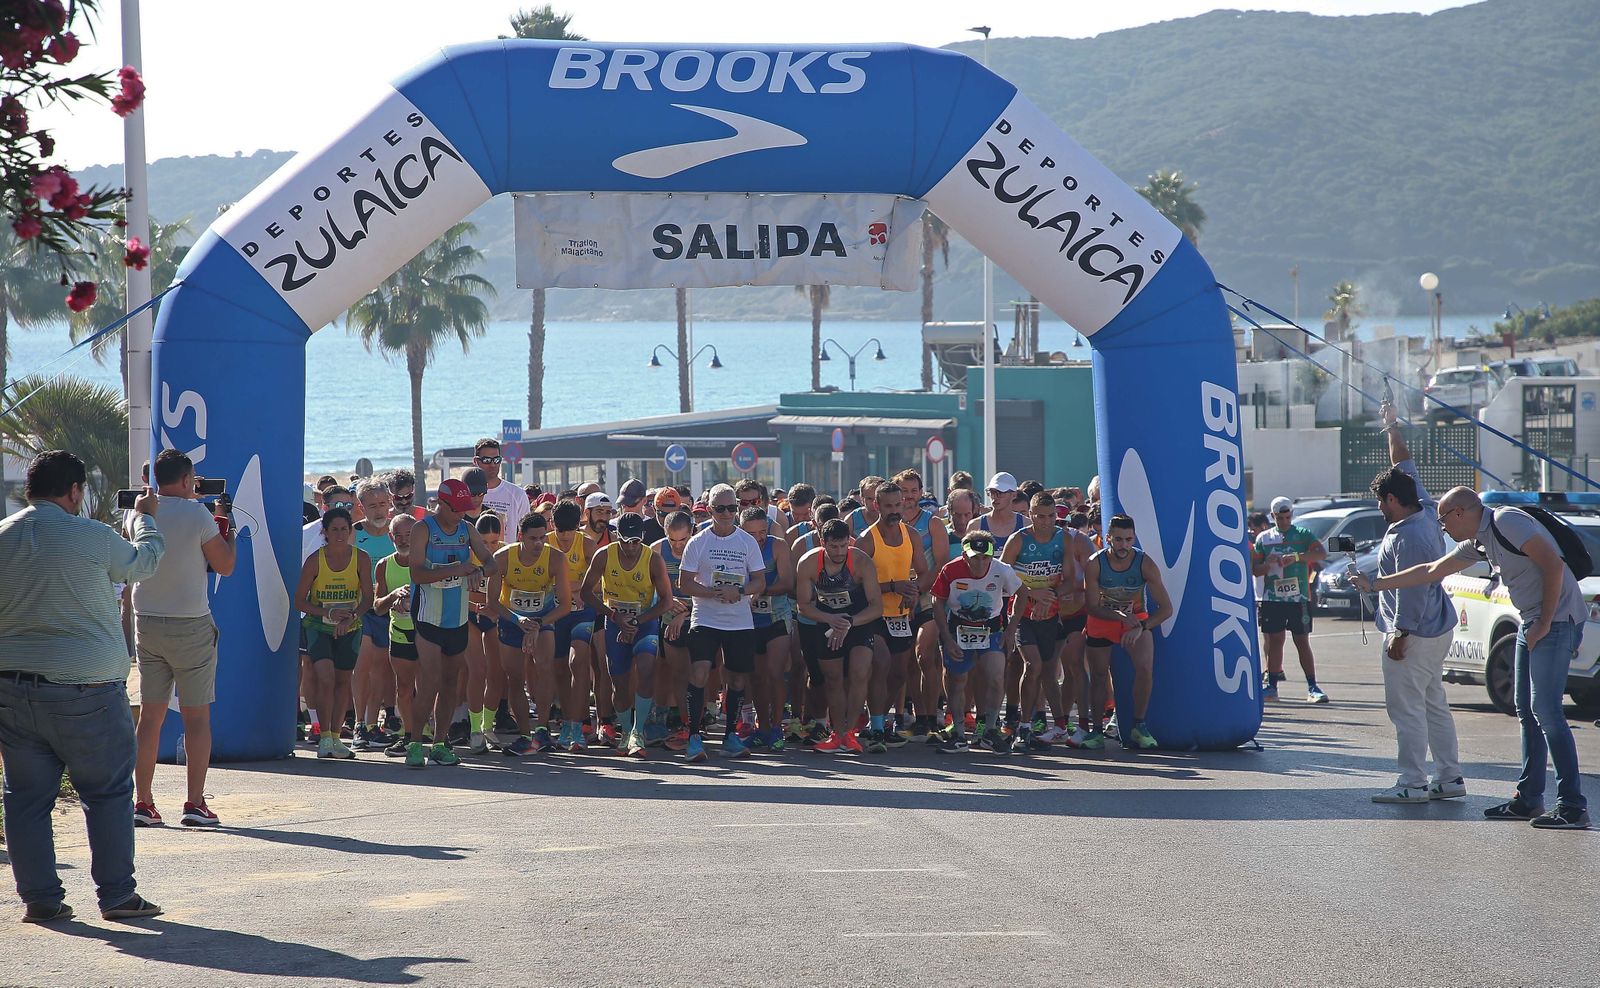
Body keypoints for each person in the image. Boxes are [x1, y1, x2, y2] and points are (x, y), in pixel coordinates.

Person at [1353, 486, 1590, 830]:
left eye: (1443, 521)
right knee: (1526, 711)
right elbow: (1432, 570)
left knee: (1547, 713)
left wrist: (1543, 623)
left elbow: (1553, 566)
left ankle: (1572, 807)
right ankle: (1529, 800)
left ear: (1460, 513)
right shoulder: (1481, 540)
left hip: (1554, 621)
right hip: (1531, 622)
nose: (1442, 528)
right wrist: (1375, 585)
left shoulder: (1507, 521)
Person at [0, 450, 165, 922]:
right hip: (86, 688)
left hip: (12, 687)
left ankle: (41, 900)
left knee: (26, 798)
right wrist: (146, 520)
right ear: (74, 491)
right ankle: (116, 896)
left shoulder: (2, 537)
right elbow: (142, 564)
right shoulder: (91, 535)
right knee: (107, 791)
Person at [1353, 401, 1465, 805]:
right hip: (1437, 627)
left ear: (1393, 500)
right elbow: (1403, 461)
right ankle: (1449, 778)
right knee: (1433, 703)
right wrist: (1392, 426)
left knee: (1406, 709)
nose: (1379, 508)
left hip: (1414, 630)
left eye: (1382, 501)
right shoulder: (1421, 504)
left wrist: (1400, 634)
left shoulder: (1408, 537)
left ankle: (1412, 782)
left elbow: (1413, 589)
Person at [131, 449, 236, 828]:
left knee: (151, 717)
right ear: (188, 477)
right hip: (190, 623)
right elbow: (224, 564)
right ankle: (194, 803)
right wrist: (228, 523)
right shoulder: (199, 514)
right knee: (196, 718)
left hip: (148, 622)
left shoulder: (140, 514)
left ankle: (142, 802)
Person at [405, 479, 494, 768]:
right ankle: (415, 743)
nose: (462, 514)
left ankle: (440, 743)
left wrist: (478, 571)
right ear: (441, 504)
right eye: (456, 509)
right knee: (429, 681)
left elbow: (491, 563)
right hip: (428, 617)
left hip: (457, 617)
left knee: (450, 683)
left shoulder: (467, 530)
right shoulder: (423, 529)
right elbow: (416, 574)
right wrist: (456, 569)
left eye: (465, 509)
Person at [678, 483, 768, 762]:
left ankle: (730, 735)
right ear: (710, 510)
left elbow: (760, 581)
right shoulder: (698, 541)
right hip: (705, 616)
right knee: (700, 672)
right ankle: (693, 735)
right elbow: (684, 583)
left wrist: (739, 592)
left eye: (732, 507)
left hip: (739, 620)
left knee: (738, 677)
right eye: (721, 508)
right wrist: (713, 593)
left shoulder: (747, 541)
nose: (728, 513)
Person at [581, 512, 674, 758]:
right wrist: (614, 617)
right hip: (615, 623)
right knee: (619, 683)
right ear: (617, 538)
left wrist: (638, 620)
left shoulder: (652, 559)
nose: (632, 547)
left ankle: (638, 731)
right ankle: (625, 730)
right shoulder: (604, 555)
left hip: (644, 623)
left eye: (636, 541)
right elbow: (586, 593)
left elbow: (666, 600)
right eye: (626, 541)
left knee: (645, 669)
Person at [1083, 513, 1175, 750]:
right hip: (1103, 619)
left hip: (1136, 620)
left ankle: (1139, 725)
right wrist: (1119, 615)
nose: (1124, 545)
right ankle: (1096, 730)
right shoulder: (1095, 562)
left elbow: (1166, 609)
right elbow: (1092, 606)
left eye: (1128, 539)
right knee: (1099, 676)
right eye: (1118, 539)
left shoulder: (1144, 563)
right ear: (1108, 538)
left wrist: (1141, 627)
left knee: (1145, 669)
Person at [794, 518, 884, 755]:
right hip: (827, 621)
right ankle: (838, 732)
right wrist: (831, 620)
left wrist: (849, 622)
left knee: (860, 671)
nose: (839, 552)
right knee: (832, 677)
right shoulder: (808, 563)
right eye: (833, 547)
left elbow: (876, 606)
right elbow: (803, 606)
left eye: (844, 546)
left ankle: (850, 733)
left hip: (858, 620)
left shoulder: (861, 562)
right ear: (823, 542)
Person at [929, 530, 1023, 753]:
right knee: (957, 680)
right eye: (975, 558)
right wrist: (946, 638)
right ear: (964, 554)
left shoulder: (1002, 570)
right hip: (958, 630)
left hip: (991, 630)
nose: (980, 563)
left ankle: (989, 730)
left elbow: (1023, 593)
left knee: (996, 677)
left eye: (985, 558)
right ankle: (959, 734)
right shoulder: (951, 570)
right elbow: (937, 602)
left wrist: (1011, 629)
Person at [489, 511, 571, 755]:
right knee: (515, 677)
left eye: (542, 538)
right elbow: (492, 601)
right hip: (511, 618)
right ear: (520, 536)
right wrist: (518, 620)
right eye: (533, 538)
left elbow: (565, 605)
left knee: (544, 668)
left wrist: (537, 624)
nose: (538, 544)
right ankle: (525, 734)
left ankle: (543, 731)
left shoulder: (555, 558)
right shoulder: (502, 558)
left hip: (543, 618)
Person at [295, 506, 373, 760]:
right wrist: (327, 615)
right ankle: (324, 735)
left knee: (342, 681)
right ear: (325, 532)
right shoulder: (314, 560)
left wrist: (352, 616)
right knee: (325, 678)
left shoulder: (360, 558)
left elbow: (368, 598)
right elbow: (299, 601)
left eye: (344, 529)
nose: (339, 534)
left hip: (350, 628)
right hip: (319, 628)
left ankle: (337, 738)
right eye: (334, 530)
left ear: (350, 531)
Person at [855, 482, 928, 752]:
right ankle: (875, 728)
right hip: (873, 615)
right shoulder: (867, 539)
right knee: (882, 664)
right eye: (888, 506)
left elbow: (923, 571)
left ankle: (877, 722)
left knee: (898, 675)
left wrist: (915, 590)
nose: (895, 511)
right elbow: (857, 584)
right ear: (876, 506)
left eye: (898, 505)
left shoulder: (912, 535)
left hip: (900, 615)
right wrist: (892, 587)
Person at [1001, 491, 1077, 751]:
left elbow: (1071, 581)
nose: (1046, 522)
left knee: (1047, 670)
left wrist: (1051, 597)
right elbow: (999, 578)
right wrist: (1031, 593)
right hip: (1022, 613)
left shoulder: (1063, 538)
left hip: (1050, 613)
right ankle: (1024, 726)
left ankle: (1059, 726)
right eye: (1040, 516)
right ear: (1030, 515)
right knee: (1031, 667)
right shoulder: (1018, 540)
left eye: (1051, 516)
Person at [1253, 496, 1330, 703]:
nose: (1284, 522)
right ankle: (1272, 686)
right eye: (1280, 518)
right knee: (1275, 641)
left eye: (1287, 517)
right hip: (1273, 598)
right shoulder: (1263, 538)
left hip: (1299, 597)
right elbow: (1255, 570)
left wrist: (1296, 557)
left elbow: (1321, 553)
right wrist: (1267, 565)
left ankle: (1312, 686)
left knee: (1301, 641)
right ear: (1272, 516)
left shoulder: (1302, 534)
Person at [740, 508, 795, 750]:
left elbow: (787, 582)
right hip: (749, 619)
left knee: (775, 673)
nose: (759, 537)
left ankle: (776, 726)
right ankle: (762, 728)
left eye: (763, 531)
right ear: (742, 530)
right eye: (752, 533)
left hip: (777, 616)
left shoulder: (777, 546)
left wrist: (758, 589)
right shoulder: (736, 547)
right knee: (757, 677)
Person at [350, 478, 396, 752]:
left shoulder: (400, 532)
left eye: (383, 504)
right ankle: (358, 725)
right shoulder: (355, 533)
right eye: (372, 505)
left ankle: (373, 724)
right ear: (361, 506)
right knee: (363, 664)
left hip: (390, 608)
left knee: (382, 667)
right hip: (362, 607)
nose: (379, 511)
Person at [374, 513, 420, 757]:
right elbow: (377, 606)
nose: (403, 540)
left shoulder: (427, 562)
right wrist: (394, 597)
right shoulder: (384, 565)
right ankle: (409, 735)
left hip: (426, 632)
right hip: (400, 633)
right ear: (391, 537)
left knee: (428, 686)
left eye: (409, 535)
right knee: (404, 687)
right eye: (398, 535)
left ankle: (430, 735)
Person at [472, 438, 531, 530]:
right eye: (487, 460)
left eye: (496, 460)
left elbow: (527, 532)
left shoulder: (517, 494)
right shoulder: (467, 493)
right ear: (476, 461)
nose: (492, 465)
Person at [977, 472, 1024, 542]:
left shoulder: (1027, 524)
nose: (995, 497)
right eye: (992, 492)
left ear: (1014, 495)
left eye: (1001, 493)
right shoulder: (975, 525)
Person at [620, 479, 666, 543]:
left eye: (631, 503)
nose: (626, 507)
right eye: (623, 504)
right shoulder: (612, 526)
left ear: (644, 501)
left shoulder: (654, 527)